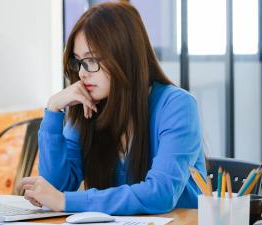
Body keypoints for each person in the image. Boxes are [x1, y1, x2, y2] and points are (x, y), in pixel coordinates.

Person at [15, 2, 206, 215]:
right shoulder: (88, 106)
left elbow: (160, 193)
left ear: (125, 57)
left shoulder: (177, 106)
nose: (82, 73)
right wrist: (53, 111)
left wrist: (64, 200)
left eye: (92, 60)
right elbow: (56, 190)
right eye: (78, 62)